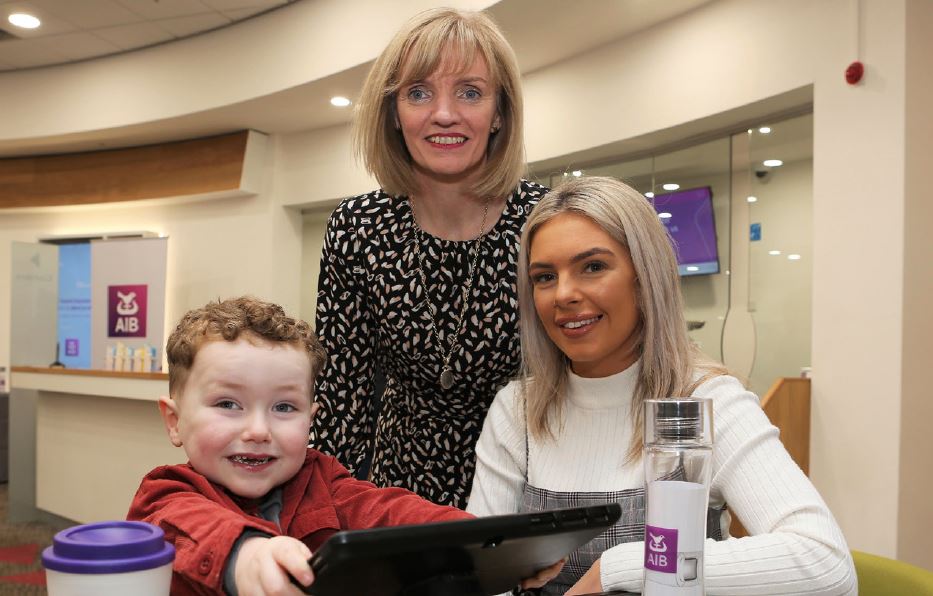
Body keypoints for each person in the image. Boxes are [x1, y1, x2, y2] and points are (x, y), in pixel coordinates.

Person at [467, 177, 857, 595]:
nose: (563, 294)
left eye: (593, 267)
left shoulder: (707, 400)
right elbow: (484, 578)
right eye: (544, 277)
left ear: (644, 277)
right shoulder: (517, 408)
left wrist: (621, 567)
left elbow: (825, 565)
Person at [127, 297, 561, 595]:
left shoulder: (323, 479)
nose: (259, 430)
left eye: (283, 407)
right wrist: (249, 555)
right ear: (174, 421)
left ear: (311, 418)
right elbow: (193, 528)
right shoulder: (165, 494)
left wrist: (484, 541)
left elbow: (390, 510)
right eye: (228, 404)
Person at [312, 7, 547, 509]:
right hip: (400, 494)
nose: (445, 114)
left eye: (470, 91)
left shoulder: (543, 222)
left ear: (500, 111)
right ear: (393, 113)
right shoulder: (358, 228)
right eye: (419, 92)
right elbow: (341, 402)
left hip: (527, 485)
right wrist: (325, 524)